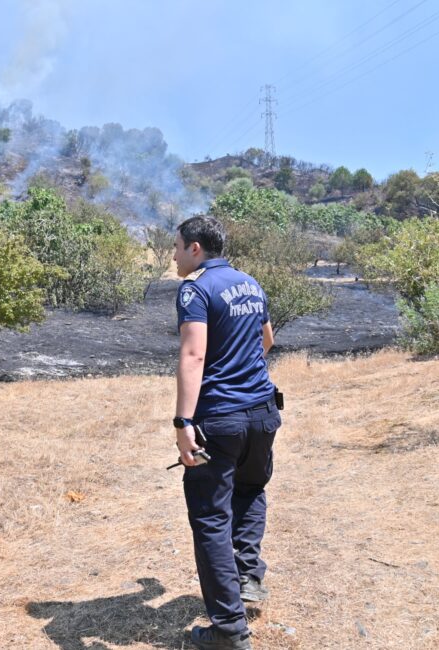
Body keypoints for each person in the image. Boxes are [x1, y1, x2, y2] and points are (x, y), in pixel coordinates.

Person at [170, 215, 281, 650]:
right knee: (251, 488)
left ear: (195, 248)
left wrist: (183, 422)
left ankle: (229, 631)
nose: (174, 255)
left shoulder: (195, 289)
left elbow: (193, 355)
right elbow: (266, 340)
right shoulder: (250, 284)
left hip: (220, 417)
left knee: (211, 517)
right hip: (263, 411)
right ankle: (249, 576)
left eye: (177, 247)